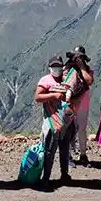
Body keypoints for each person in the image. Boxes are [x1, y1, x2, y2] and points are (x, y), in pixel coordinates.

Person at [34, 55, 76, 186]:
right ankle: (46, 177)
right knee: (49, 149)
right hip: (52, 120)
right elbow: (38, 97)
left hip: (66, 120)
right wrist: (53, 95)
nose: (56, 69)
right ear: (49, 67)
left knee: (64, 149)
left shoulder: (68, 80)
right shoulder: (45, 80)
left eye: (58, 66)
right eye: (54, 66)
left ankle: (64, 175)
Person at [65, 46, 95, 166]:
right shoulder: (66, 68)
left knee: (82, 130)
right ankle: (68, 156)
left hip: (83, 105)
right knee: (68, 130)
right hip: (69, 104)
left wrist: (82, 67)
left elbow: (89, 81)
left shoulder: (88, 71)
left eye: (79, 58)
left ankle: (83, 154)